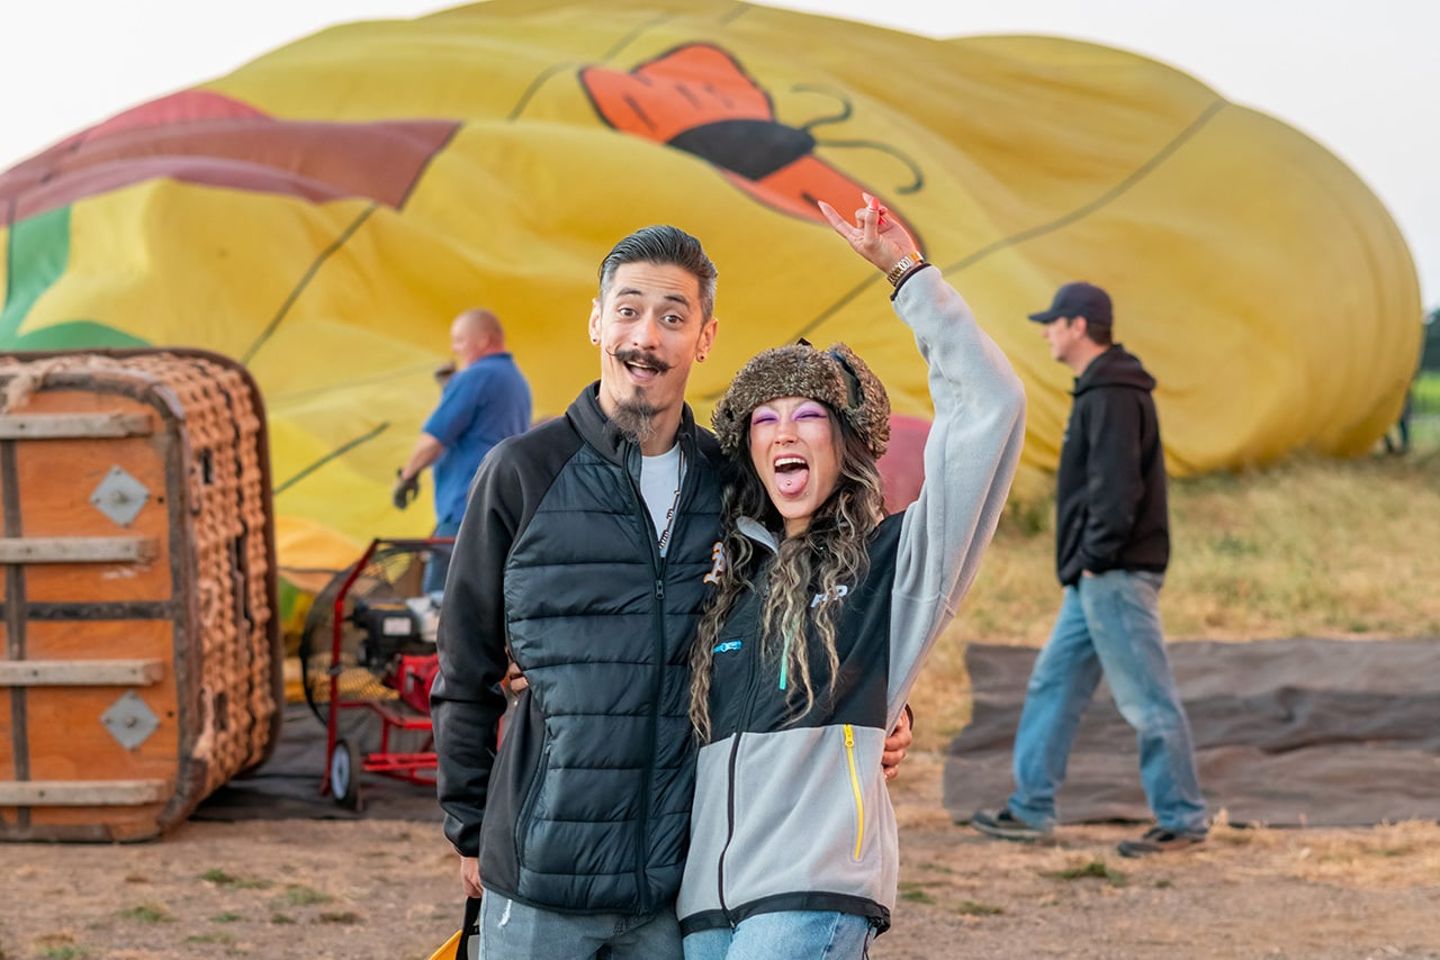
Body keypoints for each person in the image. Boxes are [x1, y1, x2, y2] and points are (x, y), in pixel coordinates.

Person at [429, 226, 912, 959]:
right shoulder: (522, 473)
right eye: (627, 311)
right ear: (597, 321)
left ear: (705, 337)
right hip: (539, 876)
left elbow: (820, 600)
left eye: (673, 317)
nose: (645, 338)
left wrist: (888, 707)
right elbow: (464, 665)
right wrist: (469, 827)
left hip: (677, 885)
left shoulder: (734, 484)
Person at [673, 200, 1025, 959]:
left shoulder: (896, 562)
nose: (785, 432)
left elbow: (989, 409)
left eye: (808, 415)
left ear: (846, 443)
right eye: (764, 420)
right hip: (704, 909)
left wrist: (907, 274)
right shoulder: (722, 584)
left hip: (810, 896)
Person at [970, 281, 1209, 857]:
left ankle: (1182, 818)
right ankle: (1031, 808)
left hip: (1114, 575)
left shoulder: (1113, 395)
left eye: (1053, 323)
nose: (1047, 333)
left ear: (1079, 326)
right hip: (1095, 577)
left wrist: (1097, 559)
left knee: (1147, 699)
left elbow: (1115, 490)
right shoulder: (1102, 389)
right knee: (1053, 684)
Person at [392, 308, 531, 593]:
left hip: (463, 508)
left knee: (440, 600)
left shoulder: (476, 377)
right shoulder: (516, 381)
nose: (454, 349)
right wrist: (451, 390)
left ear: (484, 340)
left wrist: (408, 475)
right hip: (501, 506)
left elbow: (434, 439)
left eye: (459, 340)